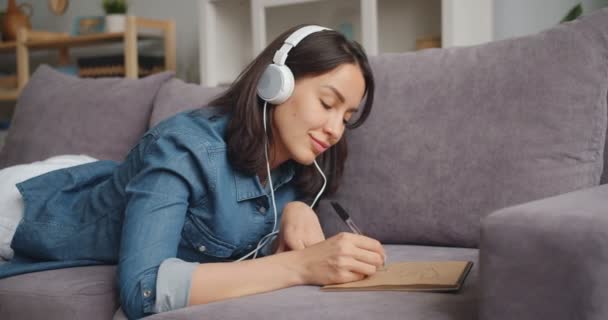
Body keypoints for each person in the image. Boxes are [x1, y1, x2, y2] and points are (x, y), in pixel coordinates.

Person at [0, 24, 384, 319]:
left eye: (346, 118)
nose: (335, 130)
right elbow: (142, 290)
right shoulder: (184, 148)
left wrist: (295, 210)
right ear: (276, 83)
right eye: (327, 103)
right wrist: (299, 267)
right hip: (27, 206)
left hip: (100, 176)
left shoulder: (297, 166)